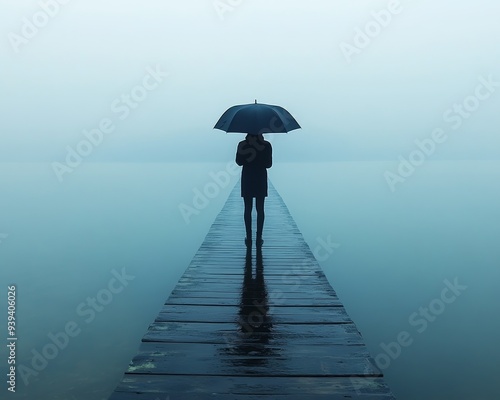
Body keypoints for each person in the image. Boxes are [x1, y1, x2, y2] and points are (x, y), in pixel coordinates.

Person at [235, 133, 272, 247]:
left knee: (248, 208)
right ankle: (259, 237)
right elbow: (269, 164)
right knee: (260, 208)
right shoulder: (266, 145)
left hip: (247, 178)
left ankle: (249, 237)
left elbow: (239, 162)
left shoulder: (242, 144)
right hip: (260, 178)